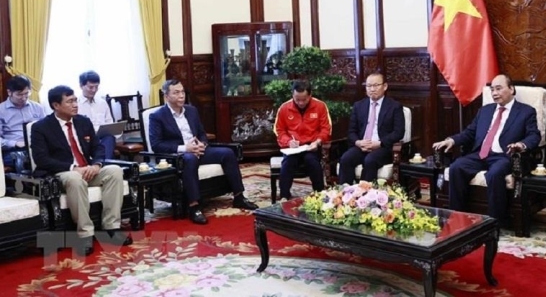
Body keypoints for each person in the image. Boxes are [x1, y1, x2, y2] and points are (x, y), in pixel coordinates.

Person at [30, 85, 132, 256]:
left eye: (76, 100)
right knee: (75, 179)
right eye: (70, 101)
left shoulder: (83, 121)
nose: (75, 104)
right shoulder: (41, 127)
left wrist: (96, 165)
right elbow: (42, 159)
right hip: (62, 172)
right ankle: (85, 234)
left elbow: (97, 148)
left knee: (114, 171)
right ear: (56, 105)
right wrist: (73, 168)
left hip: (88, 169)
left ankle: (111, 228)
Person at [432, 74, 540, 220]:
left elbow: (534, 136)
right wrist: (452, 140)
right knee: (456, 167)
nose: (494, 93)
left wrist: (521, 145)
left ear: (511, 89)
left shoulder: (526, 111)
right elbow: (469, 132)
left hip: (505, 156)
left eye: (499, 89)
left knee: (494, 173)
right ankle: (458, 217)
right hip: (481, 154)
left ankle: (496, 221)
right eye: (492, 90)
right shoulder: (485, 110)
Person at [149, 79, 258, 224]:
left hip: (198, 150)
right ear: (166, 96)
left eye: (182, 92)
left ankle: (239, 196)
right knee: (190, 159)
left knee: (227, 153)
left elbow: (201, 133)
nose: (181, 96)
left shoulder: (192, 111)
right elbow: (157, 145)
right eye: (176, 93)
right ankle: (194, 206)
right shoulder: (157, 116)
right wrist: (185, 148)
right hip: (177, 155)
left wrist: (202, 144)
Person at [338, 72, 405, 185]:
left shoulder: (394, 106)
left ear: (385, 86)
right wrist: (358, 142)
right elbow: (351, 131)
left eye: (376, 85)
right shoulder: (359, 106)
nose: (372, 89)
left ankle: (366, 197)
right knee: (346, 159)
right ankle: (345, 194)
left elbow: (399, 132)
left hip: (382, 147)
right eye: (369, 86)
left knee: (370, 160)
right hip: (362, 146)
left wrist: (379, 143)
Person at [273, 80, 332, 199]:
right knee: (288, 163)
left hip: (312, 147)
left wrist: (318, 141)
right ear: (292, 95)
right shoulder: (284, 108)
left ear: (310, 95)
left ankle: (319, 195)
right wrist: (288, 141)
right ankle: (284, 196)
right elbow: (279, 131)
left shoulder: (320, 106)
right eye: (297, 99)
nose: (300, 102)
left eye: (304, 99)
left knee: (312, 162)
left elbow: (326, 129)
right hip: (293, 148)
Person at [0, 75, 46, 173]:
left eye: (27, 93)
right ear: (9, 93)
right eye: (19, 94)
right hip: (13, 150)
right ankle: (28, 186)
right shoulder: (1, 110)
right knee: (22, 158)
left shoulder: (37, 107)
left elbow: (46, 130)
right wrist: (15, 143)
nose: (24, 98)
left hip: (37, 146)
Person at [77, 71, 116, 160]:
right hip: (86, 139)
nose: (94, 90)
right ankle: (104, 165)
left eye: (96, 87)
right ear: (81, 86)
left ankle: (103, 164)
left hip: (102, 137)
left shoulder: (102, 103)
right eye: (90, 87)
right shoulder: (76, 104)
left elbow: (109, 122)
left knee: (110, 137)